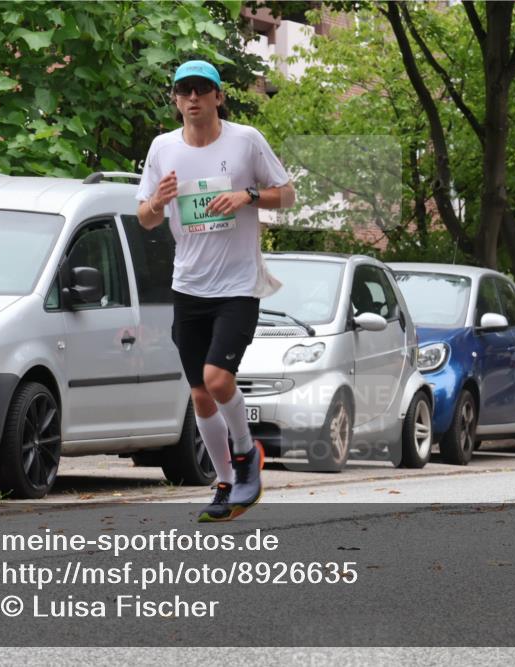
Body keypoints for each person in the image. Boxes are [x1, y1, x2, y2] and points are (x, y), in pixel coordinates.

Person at [136, 60, 295, 521]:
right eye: (184, 91)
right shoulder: (163, 148)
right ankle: (225, 482)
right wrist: (158, 201)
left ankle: (247, 459)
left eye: (202, 90)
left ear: (218, 96)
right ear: (175, 100)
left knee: (218, 379)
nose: (193, 99)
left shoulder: (245, 140)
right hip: (188, 286)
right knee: (200, 395)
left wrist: (248, 195)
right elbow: (145, 219)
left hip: (238, 286)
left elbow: (287, 194)